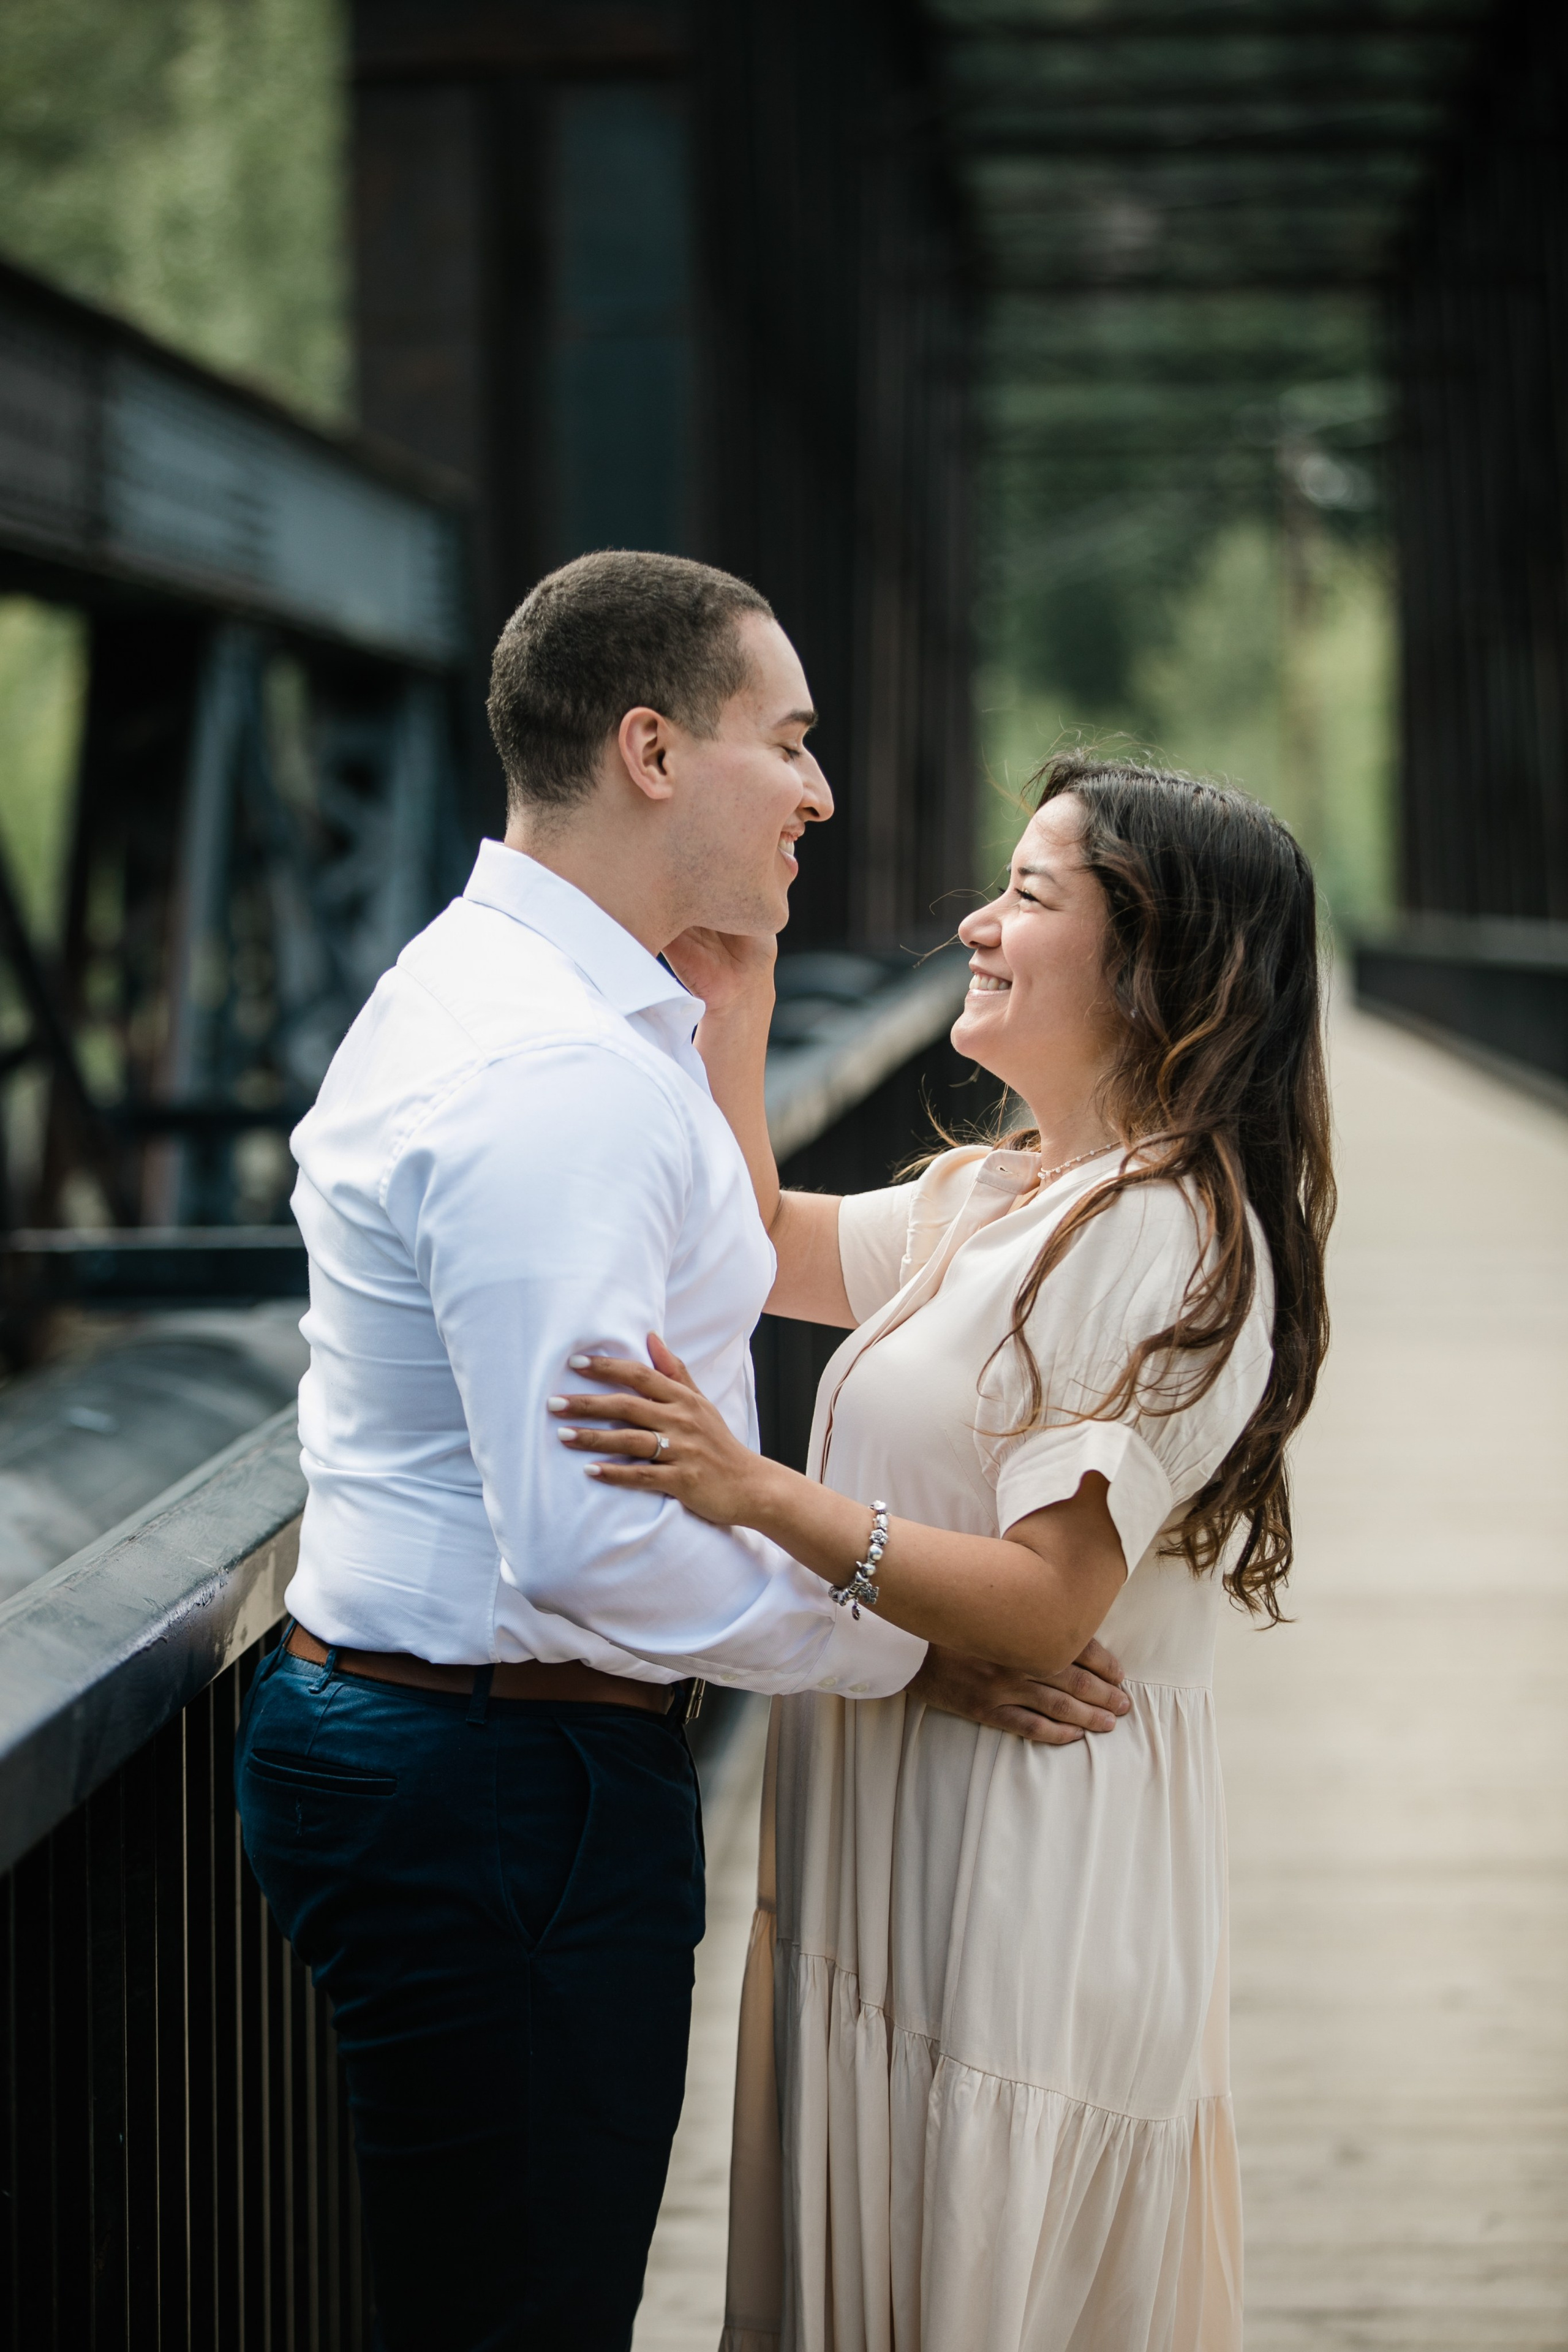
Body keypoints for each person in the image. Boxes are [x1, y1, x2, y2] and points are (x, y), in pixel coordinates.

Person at [232, 552, 1128, 2352]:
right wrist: (902, 1646)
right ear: (651, 750)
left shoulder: (512, 996)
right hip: (507, 1785)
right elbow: (588, 1541)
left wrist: (731, 1010)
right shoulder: (552, 1078)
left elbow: (703, 1299)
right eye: (784, 741)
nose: (820, 788)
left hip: (470, 1756)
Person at [558, 752, 1334, 2351]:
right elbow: (749, 1242)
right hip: (911, 1839)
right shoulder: (1006, 1194)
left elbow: (1052, 1607)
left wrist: (749, 1489)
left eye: (1033, 896)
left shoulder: (1161, 1231)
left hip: (1018, 1882)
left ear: (1159, 961)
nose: (978, 921)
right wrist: (737, 983)